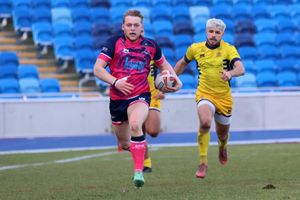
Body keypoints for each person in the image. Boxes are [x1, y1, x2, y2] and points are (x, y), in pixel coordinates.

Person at [93, 10, 182, 187]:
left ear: (142, 27)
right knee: (126, 143)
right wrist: (116, 82)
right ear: (123, 27)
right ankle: (138, 151)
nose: (132, 28)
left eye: (136, 25)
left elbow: (164, 65)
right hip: (117, 99)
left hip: (140, 95)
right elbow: (98, 69)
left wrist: (176, 81)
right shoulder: (113, 43)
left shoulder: (151, 45)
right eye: (129, 25)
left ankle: (139, 172)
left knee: (136, 125)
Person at [174, 18, 245, 179]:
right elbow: (181, 64)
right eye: (211, 32)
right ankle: (203, 161)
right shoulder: (195, 48)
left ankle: (222, 147)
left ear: (222, 34)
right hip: (204, 93)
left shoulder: (229, 49)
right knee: (205, 122)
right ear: (206, 32)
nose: (213, 35)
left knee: (222, 134)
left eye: (217, 32)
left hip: (224, 97)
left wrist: (230, 73)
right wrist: (170, 78)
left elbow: (241, 69)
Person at [143, 61, 165, 173]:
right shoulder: (125, 51)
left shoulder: (153, 50)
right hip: (134, 95)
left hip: (152, 96)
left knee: (153, 131)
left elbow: (165, 70)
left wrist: (162, 89)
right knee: (138, 130)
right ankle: (146, 163)